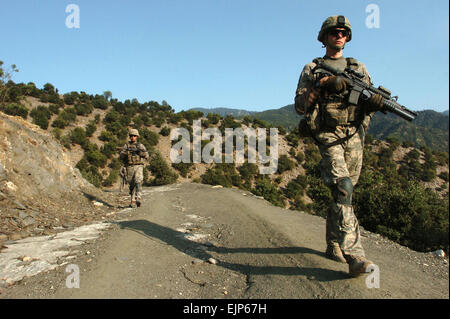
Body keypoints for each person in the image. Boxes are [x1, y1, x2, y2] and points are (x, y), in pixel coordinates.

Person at [294, 15, 384, 277]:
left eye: (343, 32)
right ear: (324, 37)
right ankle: (355, 255)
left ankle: (333, 242)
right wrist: (324, 86)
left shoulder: (359, 67)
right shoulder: (313, 68)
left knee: (345, 191)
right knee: (343, 187)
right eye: (334, 32)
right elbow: (301, 106)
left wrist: (375, 103)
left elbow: (366, 101)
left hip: (354, 136)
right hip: (328, 134)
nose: (339, 35)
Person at [120, 129, 149, 208]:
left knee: (138, 180)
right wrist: (126, 153)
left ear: (137, 137)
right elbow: (121, 156)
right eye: (131, 136)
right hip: (129, 167)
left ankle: (138, 197)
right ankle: (133, 200)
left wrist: (140, 153)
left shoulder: (140, 145)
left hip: (138, 165)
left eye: (134, 136)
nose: (133, 137)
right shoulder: (126, 146)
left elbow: (147, 155)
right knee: (132, 184)